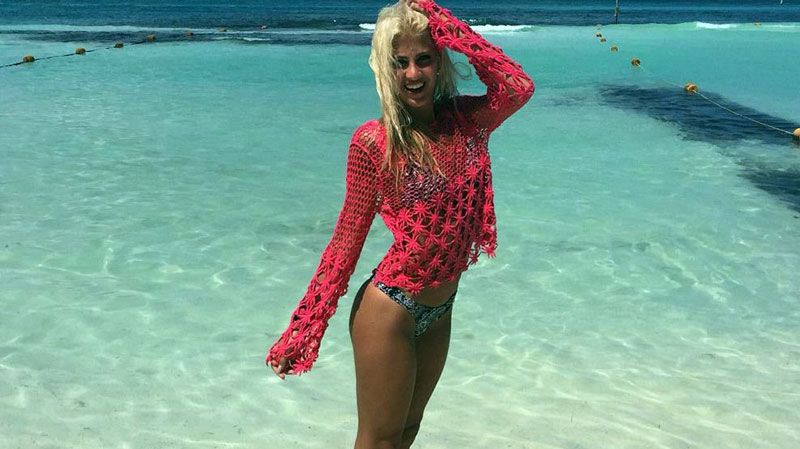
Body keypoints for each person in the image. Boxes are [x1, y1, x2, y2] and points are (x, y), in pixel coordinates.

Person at [266, 0, 533, 447]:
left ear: (439, 61)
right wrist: (306, 326)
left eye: (424, 58)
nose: (413, 73)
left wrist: (439, 19)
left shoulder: (465, 123)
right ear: (384, 70)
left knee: (407, 431)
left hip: (441, 309)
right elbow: (345, 243)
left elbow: (517, 86)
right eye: (400, 62)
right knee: (379, 441)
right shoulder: (374, 144)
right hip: (391, 310)